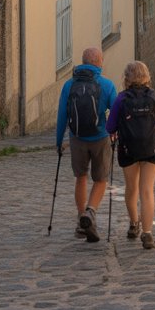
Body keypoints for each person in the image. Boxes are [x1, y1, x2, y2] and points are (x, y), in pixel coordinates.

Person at [106, 60, 155, 250]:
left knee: (131, 188)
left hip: (128, 150)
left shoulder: (121, 99)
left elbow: (110, 127)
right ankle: (148, 233)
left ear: (126, 78)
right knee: (147, 190)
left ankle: (134, 224)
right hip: (152, 150)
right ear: (146, 76)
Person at [56, 46, 117, 243]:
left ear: (82, 61)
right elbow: (115, 115)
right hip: (100, 137)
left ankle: (80, 219)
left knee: (80, 177)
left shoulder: (69, 85)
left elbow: (62, 116)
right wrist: (116, 135)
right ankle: (90, 213)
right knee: (101, 179)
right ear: (99, 62)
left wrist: (58, 141)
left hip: (77, 138)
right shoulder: (107, 85)